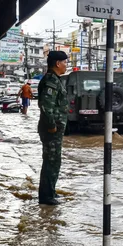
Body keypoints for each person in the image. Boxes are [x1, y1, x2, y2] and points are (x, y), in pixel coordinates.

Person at [37, 51, 68, 205]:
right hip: (51, 130)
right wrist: (51, 126)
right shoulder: (51, 81)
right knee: (51, 162)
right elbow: (45, 105)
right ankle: (46, 197)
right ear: (57, 63)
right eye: (65, 62)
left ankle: (51, 192)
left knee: (54, 161)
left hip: (55, 129)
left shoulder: (55, 80)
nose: (66, 65)